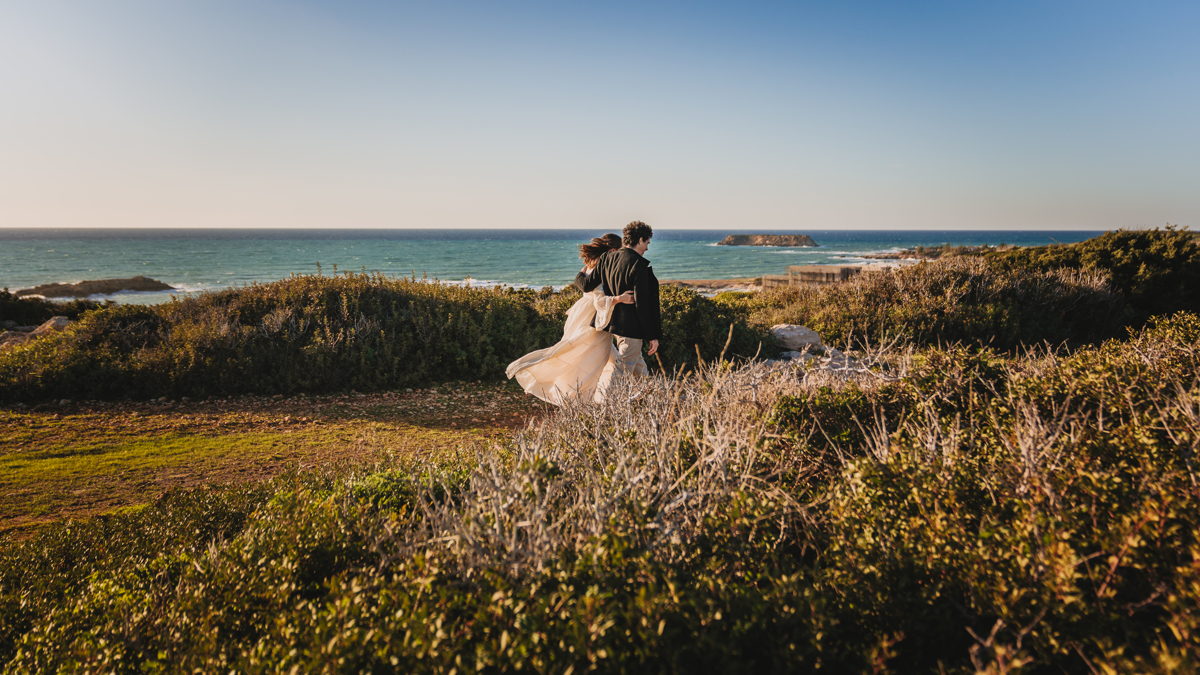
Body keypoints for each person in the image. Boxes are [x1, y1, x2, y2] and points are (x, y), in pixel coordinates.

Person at [505, 234, 633, 405]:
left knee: (590, 352)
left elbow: (582, 282)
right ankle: (577, 397)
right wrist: (620, 299)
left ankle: (620, 393)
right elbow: (599, 297)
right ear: (612, 250)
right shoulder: (603, 267)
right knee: (588, 356)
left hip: (581, 312)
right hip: (593, 316)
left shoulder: (589, 265)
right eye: (619, 252)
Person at [577, 221, 662, 378]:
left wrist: (580, 275)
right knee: (623, 368)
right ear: (641, 239)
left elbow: (587, 285)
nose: (647, 247)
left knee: (637, 365)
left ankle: (650, 395)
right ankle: (607, 401)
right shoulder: (637, 263)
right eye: (647, 243)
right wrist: (652, 336)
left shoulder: (607, 258)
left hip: (614, 324)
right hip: (631, 327)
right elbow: (642, 305)